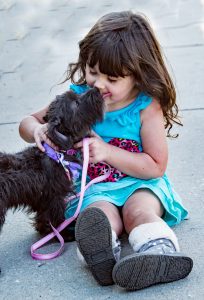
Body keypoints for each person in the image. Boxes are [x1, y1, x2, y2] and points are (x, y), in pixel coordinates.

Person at [19, 11, 193, 291]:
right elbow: (28, 122)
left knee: (138, 212)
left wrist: (108, 152)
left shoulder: (146, 106)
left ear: (137, 75)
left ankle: (159, 255)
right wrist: (37, 131)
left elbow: (155, 165)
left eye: (111, 78)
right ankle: (101, 255)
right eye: (93, 72)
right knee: (99, 215)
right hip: (94, 188)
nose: (99, 84)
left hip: (139, 182)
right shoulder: (77, 94)